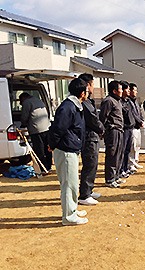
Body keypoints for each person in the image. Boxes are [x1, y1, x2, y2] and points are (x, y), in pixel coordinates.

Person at [48, 78, 89, 226]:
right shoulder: (68, 107)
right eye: (87, 91)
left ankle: (72, 209)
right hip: (65, 150)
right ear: (82, 93)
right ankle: (69, 217)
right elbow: (58, 128)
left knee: (72, 183)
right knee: (69, 184)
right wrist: (51, 144)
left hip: (70, 148)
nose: (88, 93)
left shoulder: (75, 105)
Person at [78, 73, 105, 205]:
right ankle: (84, 194)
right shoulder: (85, 102)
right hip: (89, 137)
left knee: (93, 165)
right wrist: (102, 129)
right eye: (93, 84)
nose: (94, 87)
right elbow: (93, 119)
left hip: (92, 136)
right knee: (89, 164)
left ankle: (89, 190)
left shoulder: (89, 100)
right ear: (88, 85)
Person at [99, 80, 125, 188]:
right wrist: (102, 130)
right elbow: (103, 117)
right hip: (112, 131)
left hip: (120, 130)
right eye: (120, 89)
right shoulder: (108, 101)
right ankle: (109, 179)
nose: (122, 91)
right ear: (114, 91)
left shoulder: (117, 100)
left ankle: (116, 176)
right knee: (112, 155)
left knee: (119, 154)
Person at [20, 92, 52, 172]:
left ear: (23, 98)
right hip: (46, 127)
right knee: (47, 148)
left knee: (39, 149)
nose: (20, 103)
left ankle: (43, 168)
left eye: (20, 101)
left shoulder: (26, 103)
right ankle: (49, 166)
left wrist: (23, 125)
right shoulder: (38, 100)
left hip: (36, 129)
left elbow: (24, 116)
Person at [119, 80, 135, 178]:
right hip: (124, 129)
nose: (129, 91)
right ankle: (121, 170)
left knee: (127, 151)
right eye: (127, 89)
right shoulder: (120, 102)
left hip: (130, 128)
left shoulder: (127, 101)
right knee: (123, 151)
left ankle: (125, 168)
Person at [128, 83, 144, 172]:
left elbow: (139, 112)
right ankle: (130, 164)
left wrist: (142, 120)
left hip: (138, 126)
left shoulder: (135, 101)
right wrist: (139, 121)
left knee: (138, 145)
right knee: (132, 146)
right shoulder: (128, 102)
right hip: (133, 126)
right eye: (134, 90)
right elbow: (133, 114)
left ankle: (135, 161)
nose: (136, 92)